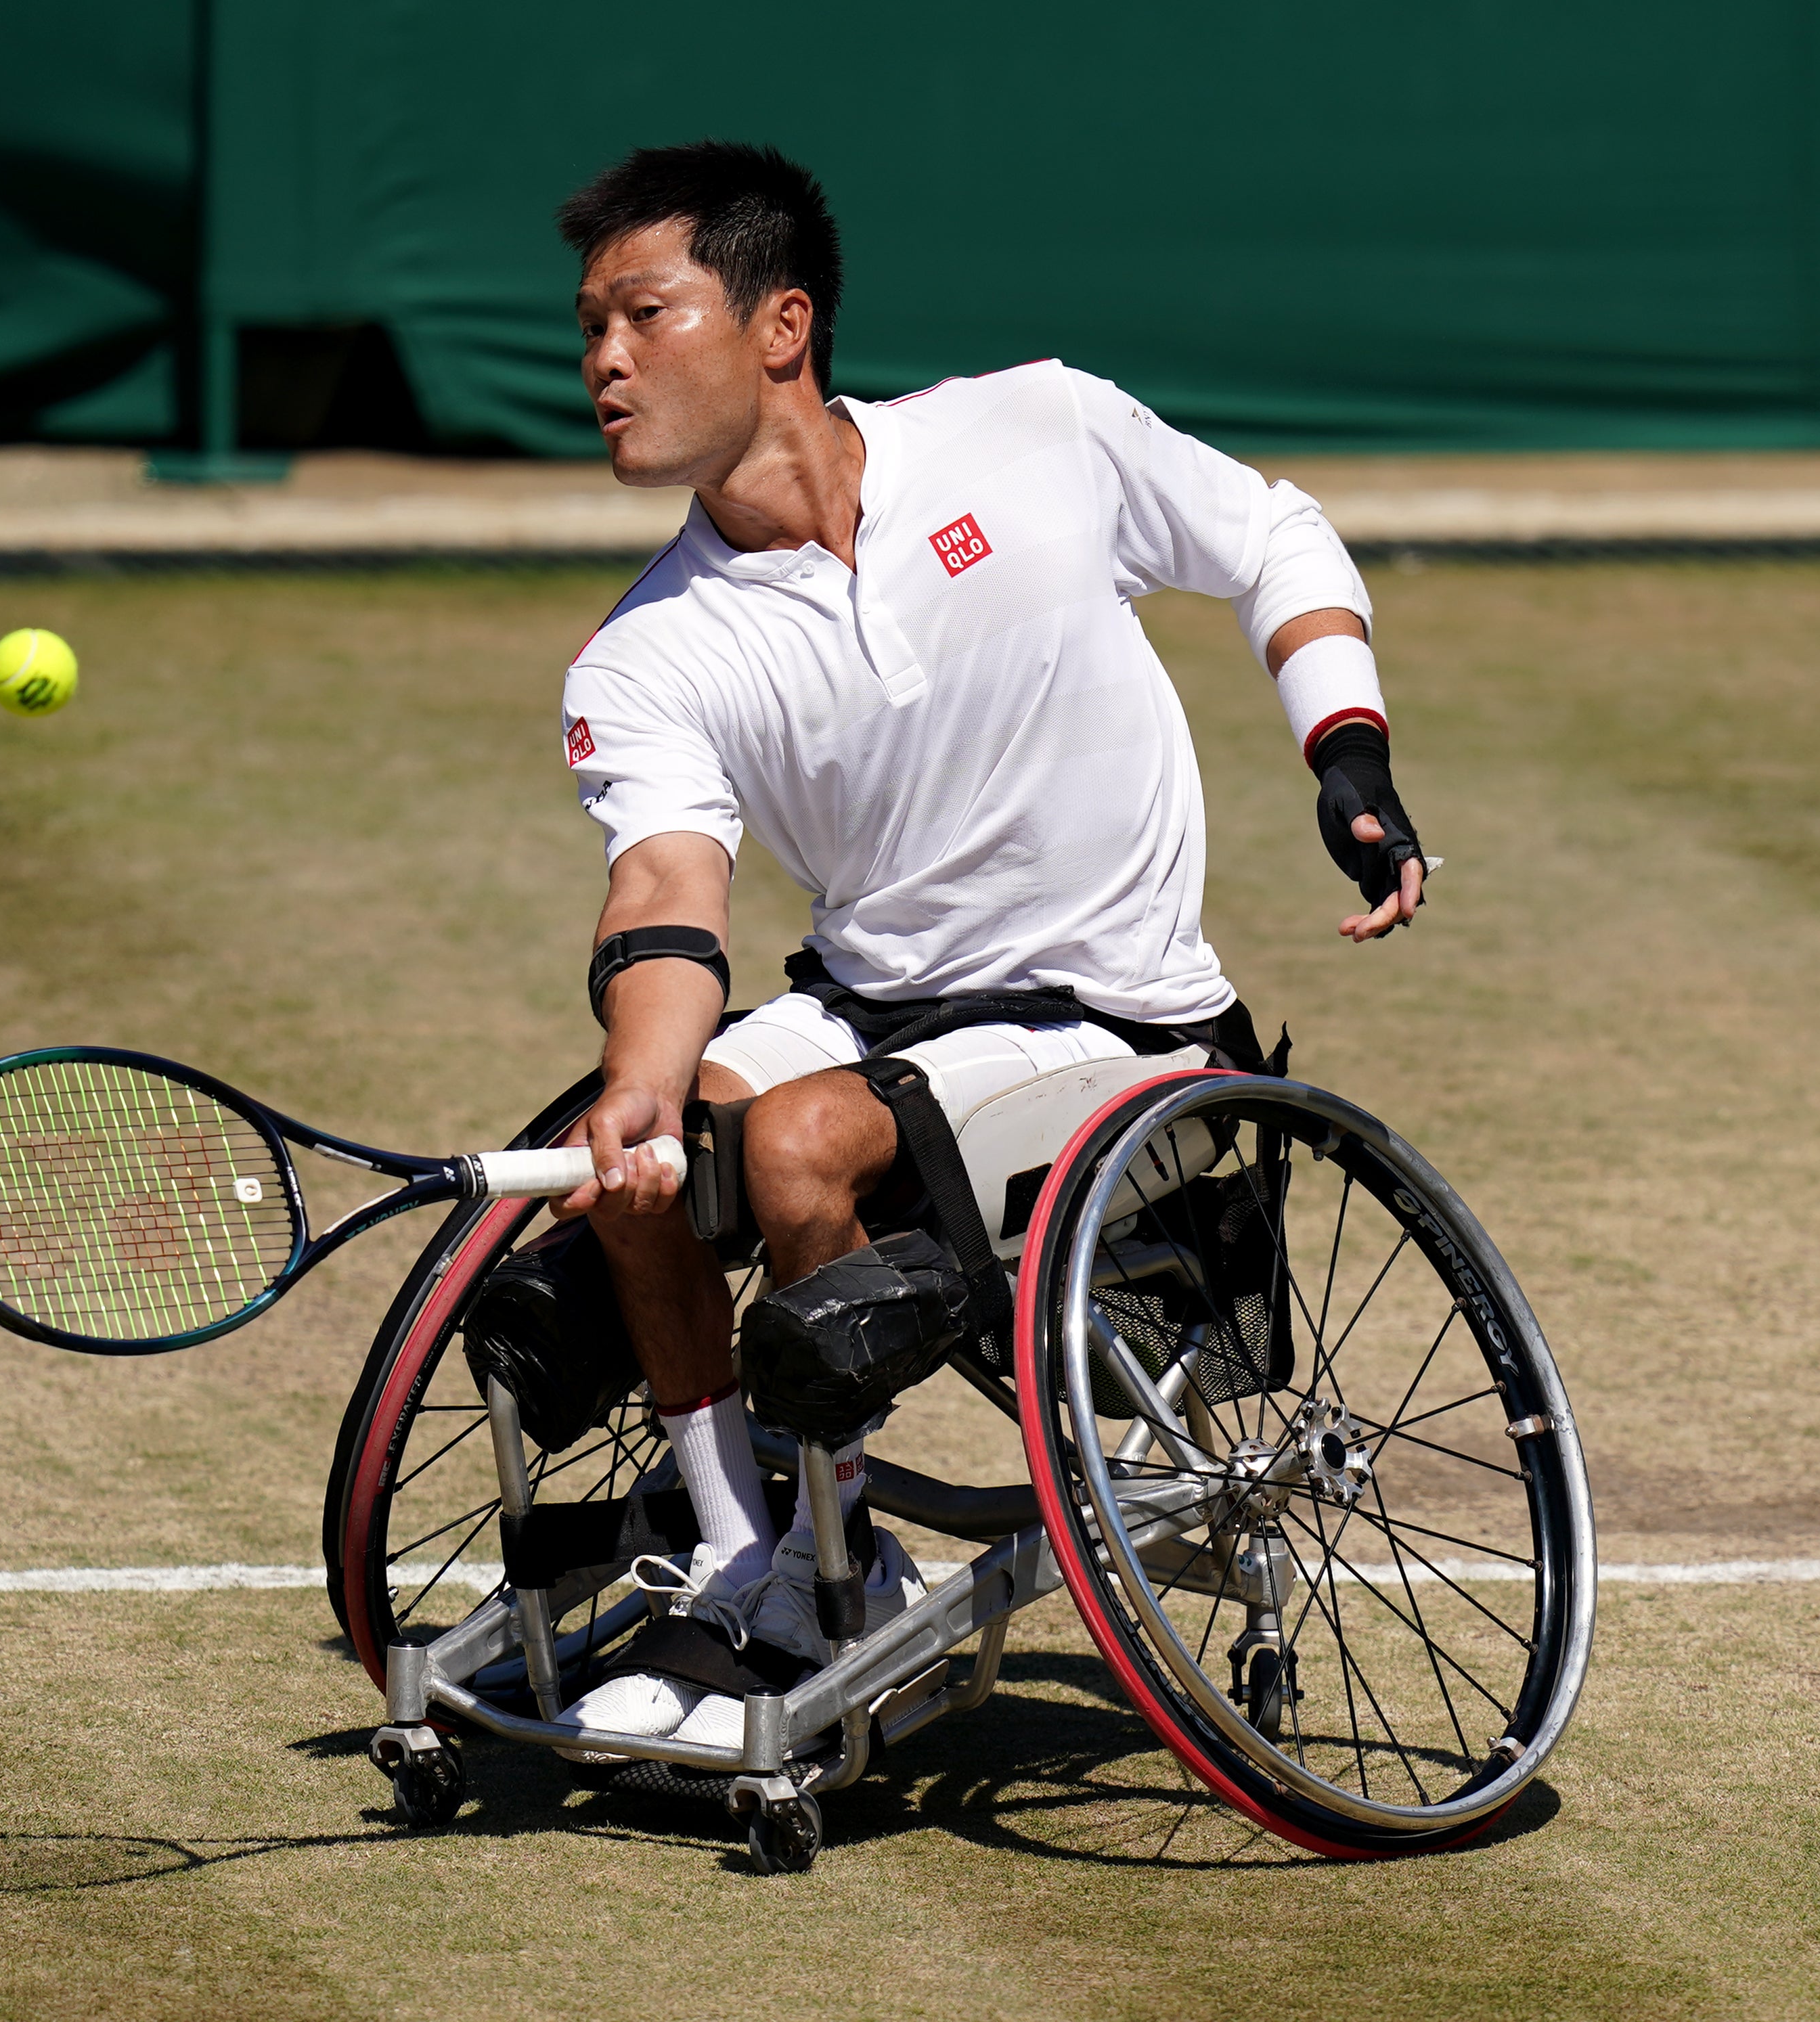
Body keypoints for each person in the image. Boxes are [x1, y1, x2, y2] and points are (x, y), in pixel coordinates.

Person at [543, 142, 1425, 1749]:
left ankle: (830, 1577)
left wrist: (1343, 750)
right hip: (892, 1004)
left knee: (800, 1147)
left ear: (781, 326)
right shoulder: (648, 650)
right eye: (588, 327)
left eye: (643, 315)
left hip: (1126, 1019)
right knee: (616, 1161)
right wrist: (644, 1084)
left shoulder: (1037, 429)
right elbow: (666, 886)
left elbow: (1272, 537)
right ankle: (767, 1556)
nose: (602, 360)